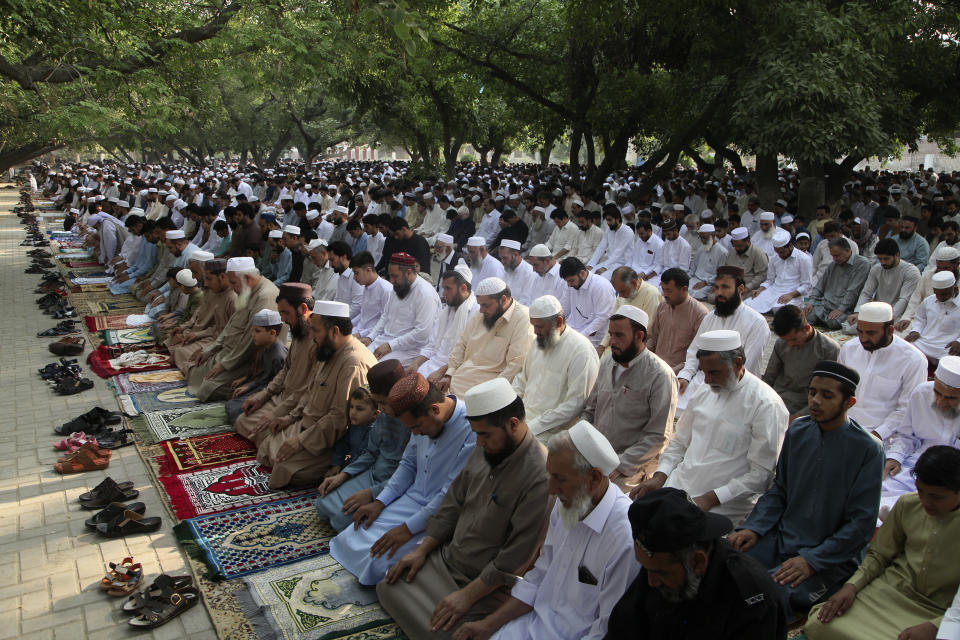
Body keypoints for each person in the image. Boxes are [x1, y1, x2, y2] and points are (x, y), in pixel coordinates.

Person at [377, 378, 552, 640]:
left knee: (442, 633)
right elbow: (453, 502)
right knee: (387, 585)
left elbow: (516, 557)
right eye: (476, 434)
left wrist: (466, 597)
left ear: (512, 425)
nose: (478, 443)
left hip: (484, 582)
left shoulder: (540, 475)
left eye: (484, 435)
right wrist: (423, 550)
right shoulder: (489, 449)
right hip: (448, 559)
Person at [453, 421, 639, 640]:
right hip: (531, 626)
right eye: (550, 476)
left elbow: (605, 630)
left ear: (595, 478)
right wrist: (487, 626)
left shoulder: (624, 540)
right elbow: (539, 577)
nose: (551, 489)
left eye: (560, 479)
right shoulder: (566, 506)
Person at [729, 361, 883, 620]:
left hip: (831, 556)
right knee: (728, 567)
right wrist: (754, 528)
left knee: (767, 599)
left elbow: (861, 523)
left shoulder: (868, 449)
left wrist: (812, 560)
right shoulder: (799, 430)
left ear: (849, 402)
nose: (815, 401)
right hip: (783, 537)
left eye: (827, 395)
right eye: (812, 392)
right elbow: (780, 490)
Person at [329, 373, 476, 585]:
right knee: (348, 538)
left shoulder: (471, 429)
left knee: (375, 561)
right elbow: (408, 464)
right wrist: (380, 502)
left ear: (435, 409)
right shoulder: (421, 420)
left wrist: (408, 529)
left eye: (417, 428)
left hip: (441, 515)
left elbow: (449, 495)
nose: (417, 434)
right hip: (411, 499)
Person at [805, 446, 960, 640]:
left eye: (936, 497)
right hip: (890, 591)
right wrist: (851, 586)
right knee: (821, 624)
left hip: (939, 610)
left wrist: (937, 627)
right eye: (921, 491)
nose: (926, 502)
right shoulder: (908, 504)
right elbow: (879, 554)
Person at [634, 330, 788, 524]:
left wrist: (710, 498)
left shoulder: (766, 404)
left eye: (714, 373)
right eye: (704, 372)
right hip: (679, 487)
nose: (706, 380)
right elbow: (680, 442)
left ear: (738, 363)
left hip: (724, 505)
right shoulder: (705, 391)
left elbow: (761, 475)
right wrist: (660, 475)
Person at [604, 487, 786, 640]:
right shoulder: (657, 568)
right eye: (647, 569)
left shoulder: (751, 598)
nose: (650, 582)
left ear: (698, 562)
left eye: (660, 573)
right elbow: (623, 628)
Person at [252, 300, 376, 489]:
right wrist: (289, 418)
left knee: (282, 468)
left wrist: (301, 441)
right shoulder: (328, 350)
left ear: (334, 331)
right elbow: (310, 392)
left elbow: (340, 419)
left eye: (315, 331)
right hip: (308, 424)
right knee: (265, 440)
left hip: (330, 440)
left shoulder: (352, 362)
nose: (311, 336)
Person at [582, 305, 678, 489]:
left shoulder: (660, 376)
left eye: (619, 335)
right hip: (595, 455)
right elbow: (591, 410)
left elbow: (658, 436)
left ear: (639, 336)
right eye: (611, 334)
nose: (612, 342)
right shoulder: (609, 361)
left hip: (629, 468)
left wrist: (620, 464)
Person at [314, 359, 410, 532]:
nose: (381, 409)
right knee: (323, 505)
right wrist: (343, 475)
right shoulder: (385, 416)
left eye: (384, 403)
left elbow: (410, 473)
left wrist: (372, 494)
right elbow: (371, 453)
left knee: (340, 520)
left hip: (393, 484)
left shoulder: (414, 422)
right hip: (373, 475)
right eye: (377, 403)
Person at [186, 257, 281, 401]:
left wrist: (224, 365)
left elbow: (250, 341)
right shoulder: (247, 290)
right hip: (231, 351)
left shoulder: (265, 296)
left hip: (249, 359)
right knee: (194, 369)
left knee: (208, 388)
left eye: (233, 282)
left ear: (247, 278)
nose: (231, 287)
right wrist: (211, 349)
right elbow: (231, 324)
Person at [232, 283, 317, 438]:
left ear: (303, 309)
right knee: (242, 420)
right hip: (283, 398)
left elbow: (309, 390)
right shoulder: (299, 333)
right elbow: (286, 370)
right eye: (281, 314)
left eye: (286, 313)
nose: (283, 320)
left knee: (265, 436)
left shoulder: (317, 340)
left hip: (297, 405)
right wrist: (264, 395)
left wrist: (281, 413)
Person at [512, 295, 600, 443]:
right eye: (533, 326)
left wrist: (531, 427)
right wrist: (509, 408)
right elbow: (522, 380)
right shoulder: (539, 342)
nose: (535, 332)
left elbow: (575, 405)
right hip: (523, 418)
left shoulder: (581, 351)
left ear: (558, 322)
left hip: (553, 431)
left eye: (539, 327)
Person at [880, 356, 960, 516]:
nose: (940, 402)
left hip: (954, 475)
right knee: (879, 489)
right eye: (937, 393)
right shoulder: (922, 393)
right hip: (916, 464)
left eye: (951, 398)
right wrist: (895, 457)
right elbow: (907, 436)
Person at [677, 266, 770, 402]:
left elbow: (747, 367)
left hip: (736, 388)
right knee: (675, 400)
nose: (719, 293)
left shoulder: (757, 323)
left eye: (725, 287)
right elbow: (694, 352)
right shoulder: (710, 318)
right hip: (703, 381)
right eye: (717, 287)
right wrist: (685, 375)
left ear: (740, 289)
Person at [838, 301, 928, 440]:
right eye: (860, 331)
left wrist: (876, 436)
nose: (863, 338)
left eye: (871, 333)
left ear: (890, 330)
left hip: (882, 436)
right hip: (841, 425)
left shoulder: (913, 360)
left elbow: (907, 409)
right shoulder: (849, 348)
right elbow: (838, 390)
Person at [762, 306, 841, 421]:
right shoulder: (781, 343)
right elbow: (769, 377)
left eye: (793, 340)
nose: (789, 345)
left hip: (806, 404)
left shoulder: (829, 349)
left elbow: (825, 394)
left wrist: (796, 418)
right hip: (777, 398)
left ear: (807, 328)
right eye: (786, 340)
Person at [365, 252, 442, 366]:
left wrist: (391, 346)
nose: (391, 280)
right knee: (358, 359)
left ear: (408, 273)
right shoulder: (398, 287)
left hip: (410, 350)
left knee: (373, 368)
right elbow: (386, 315)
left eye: (395, 276)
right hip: (386, 341)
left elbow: (421, 334)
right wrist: (370, 337)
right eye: (390, 275)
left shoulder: (426, 295)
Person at [166, 258, 237, 370]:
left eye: (208, 278)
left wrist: (207, 347)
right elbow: (202, 319)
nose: (205, 282)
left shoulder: (232, 298)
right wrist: (187, 329)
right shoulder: (214, 291)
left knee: (187, 358)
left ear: (223, 277)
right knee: (177, 347)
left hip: (221, 343)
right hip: (212, 337)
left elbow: (227, 333)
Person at [409, 265, 479, 379]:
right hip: (433, 364)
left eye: (448, 288)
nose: (444, 294)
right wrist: (416, 364)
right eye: (443, 288)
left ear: (463, 288)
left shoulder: (477, 313)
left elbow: (468, 356)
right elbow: (432, 345)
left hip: (454, 371)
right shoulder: (445, 311)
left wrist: (442, 373)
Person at [844, 238, 920, 335]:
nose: (883, 262)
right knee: (848, 327)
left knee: (894, 334)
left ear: (897, 255)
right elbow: (866, 293)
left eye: (886, 258)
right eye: (880, 259)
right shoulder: (877, 269)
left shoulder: (911, 272)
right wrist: (858, 312)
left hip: (898, 316)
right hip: (877, 312)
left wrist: (885, 319)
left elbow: (904, 300)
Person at [224, 308, 288, 423]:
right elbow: (262, 375)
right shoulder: (265, 347)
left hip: (270, 392)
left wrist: (256, 393)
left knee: (235, 409)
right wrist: (248, 385)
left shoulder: (278, 355)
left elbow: (278, 385)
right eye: (252, 330)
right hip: (262, 386)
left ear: (272, 333)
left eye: (257, 331)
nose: (253, 334)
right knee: (232, 395)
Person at [647, 268, 709, 373]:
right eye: (663, 289)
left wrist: (671, 372)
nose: (665, 294)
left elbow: (698, 355)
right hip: (654, 366)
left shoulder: (700, 314)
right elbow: (653, 338)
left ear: (684, 289)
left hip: (680, 373)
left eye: (669, 291)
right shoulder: (663, 306)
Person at [804, 238, 871, 329]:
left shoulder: (862, 264)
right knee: (806, 316)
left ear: (847, 250)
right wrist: (811, 303)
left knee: (833, 322)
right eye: (833, 256)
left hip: (845, 309)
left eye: (837, 255)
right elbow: (819, 286)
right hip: (825, 306)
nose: (834, 259)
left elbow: (853, 291)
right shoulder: (833, 265)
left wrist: (841, 309)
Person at [598, 266, 663, 357]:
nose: (620, 295)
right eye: (618, 292)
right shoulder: (622, 294)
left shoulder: (651, 294)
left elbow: (648, 330)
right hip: (618, 342)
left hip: (636, 346)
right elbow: (613, 323)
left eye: (623, 291)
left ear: (633, 283)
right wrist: (602, 345)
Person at [746, 230, 813, 314]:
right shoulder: (775, 257)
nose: (780, 255)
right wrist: (760, 289)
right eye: (777, 252)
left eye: (782, 252)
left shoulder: (804, 259)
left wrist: (790, 295)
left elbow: (806, 285)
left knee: (781, 310)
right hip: (774, 291)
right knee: (748, 304)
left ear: (790, 246)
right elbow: (770, 280)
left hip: (793, 293)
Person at [898, 244, 960, 332]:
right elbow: (916, 299)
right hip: (924, 319)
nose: (941, 271)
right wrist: (906, 317)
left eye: (946, 268)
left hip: (951, 322)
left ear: (956, 265)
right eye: (939, 267)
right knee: (900, 334)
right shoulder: (929, 275)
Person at [560, 257, 617, 346]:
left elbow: (601, 318)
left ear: (582, 273)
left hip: (591, 338)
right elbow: (564, 309)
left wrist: (579, 337)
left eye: (571, 280)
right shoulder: (571, 284)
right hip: (572, 330)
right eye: (567, 281)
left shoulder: (602, 286)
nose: (569, 285)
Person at [905, 271, 959, 364]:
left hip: (948, 345)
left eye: (944, 294)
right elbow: (920, 318)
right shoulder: (929, 300)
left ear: (955, 289)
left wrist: (959, 341)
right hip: (926, 342)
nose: (940, 297)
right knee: (906, 347)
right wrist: (916, 331)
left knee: (952, 359)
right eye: (937, 293)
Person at [349, 250, 392, 340]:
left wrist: (361, 334)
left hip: (373, 336)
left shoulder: (386, 289)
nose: (354, 277)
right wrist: (348, 324)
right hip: (359, 331)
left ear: (368, 270)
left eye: (356, 273)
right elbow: (363, 314)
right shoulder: (366, 286)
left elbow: (385, 322)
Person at [587, 206, 634, 278]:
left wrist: (604, 267)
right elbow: (601, 247)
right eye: (606, 220)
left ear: (618, 219)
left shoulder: (627, 232)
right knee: (588, 273)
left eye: (610, 220)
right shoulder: (609, 230)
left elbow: (618, 252)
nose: (608, 223)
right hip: (610, 262)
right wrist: (591, 264)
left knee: (601, 277)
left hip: (623, 264)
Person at [725, 227, 769, 298]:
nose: (737, 248)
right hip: (732, 285)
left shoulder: (758, 253)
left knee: (735, 300)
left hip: (749, 287)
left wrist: (747, 287)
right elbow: (727, 270)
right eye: (735, 246)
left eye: (739, 246)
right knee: (712, 296)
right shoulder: (733, 251)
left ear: (748, 241)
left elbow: (762, 275)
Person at [688, 224, 730, 300]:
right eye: (700, 238)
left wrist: (705, 282)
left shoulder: (722, 252)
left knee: (696, 294)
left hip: (709, 283)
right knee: (682, 288)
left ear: (713, 235)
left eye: (704, 238)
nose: (702, 240)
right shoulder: (701, 249)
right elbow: (693, 268)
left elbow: (721, 274)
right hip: (695, 279)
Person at [651, 220, 692, 288]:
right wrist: (652, 274)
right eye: (665, 235)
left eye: (668, 234)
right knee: (646, 284)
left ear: (675, 230)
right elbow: (661, 263)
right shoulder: (667, 243)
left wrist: (668, 281)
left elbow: (683, 270)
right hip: (662, 275)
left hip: (675, 278)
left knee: (655, 289)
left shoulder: (685, 246)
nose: (667, 237)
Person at [499, 239, 538, 305]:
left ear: (515, 254)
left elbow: (525, 301)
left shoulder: (529, 273)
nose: (502, 262)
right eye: (501, 258)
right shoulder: (507, 268)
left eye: (505, 258)